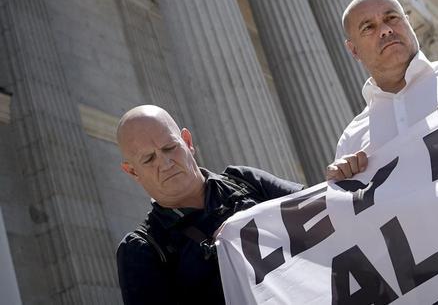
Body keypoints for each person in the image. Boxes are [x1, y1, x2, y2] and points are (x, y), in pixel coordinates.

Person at [115, 105, 302, 304]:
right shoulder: (142, 249)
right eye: (149, 159)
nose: (166, 163)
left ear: (187, 142)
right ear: (133, 172)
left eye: (170, 147)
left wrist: (337, 184)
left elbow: (319, 213)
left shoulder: (244, 180)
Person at [325, 0, 438, 180]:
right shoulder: (352, 140)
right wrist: (339, 188)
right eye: (368, 27)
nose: (385, 30)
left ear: (408, 22)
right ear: (353, 50)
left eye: (392, 18)